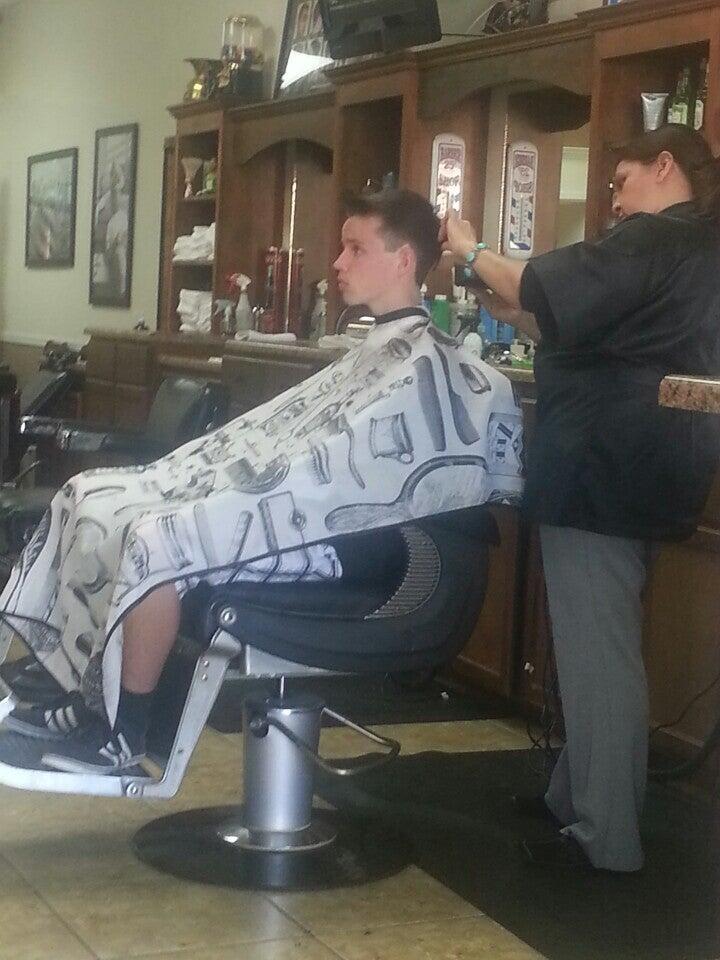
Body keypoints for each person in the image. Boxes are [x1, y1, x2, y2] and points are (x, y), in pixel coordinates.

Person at [0, 189, 523, 776]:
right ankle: (88, 693)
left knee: (158, 536)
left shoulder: (431, 364)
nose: (338, 262)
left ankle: (122, 738)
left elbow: (379, 483)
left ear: (403, 260)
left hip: (345, 542)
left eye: (355, 249)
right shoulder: (374, 350)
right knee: (93, 495)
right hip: (299, 516)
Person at [440, 124, 720, 873]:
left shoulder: (656, 238)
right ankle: (575, 798)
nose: (615, 201)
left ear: (666, 164)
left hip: (604, 464)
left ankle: (607, 838)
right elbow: (594, 332)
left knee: (599, 653)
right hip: (647, 464)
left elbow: (537, 282)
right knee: (599, 640)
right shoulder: (697, 248)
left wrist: (471, 248)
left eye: (622, 180)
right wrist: (513, 311)